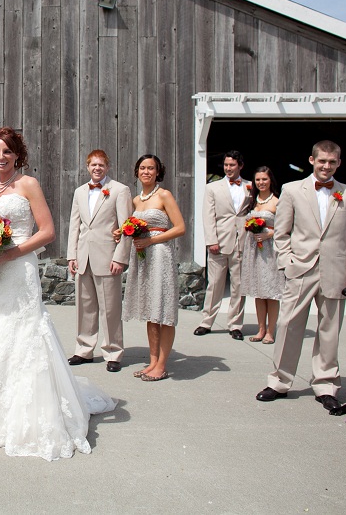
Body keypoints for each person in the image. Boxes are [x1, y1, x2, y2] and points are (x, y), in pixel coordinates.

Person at [0, 127, 115, 460]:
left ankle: (31, 415)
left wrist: (10, 253)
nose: (0, 157)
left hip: (19, 270)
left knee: (25, 334)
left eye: (6, 151)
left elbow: (47, 232)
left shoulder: (28, 184)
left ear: (18, 155)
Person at [256, 140, 346, 411]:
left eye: (331, 162)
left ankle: (326, 384)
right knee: (288, 325)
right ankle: (279, 381)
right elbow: (281, 232)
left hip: (335, 272)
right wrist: (286, 262)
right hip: (300, 269)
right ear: (311, 160)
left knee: (329, 331)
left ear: (339, 163)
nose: (326, 166)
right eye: (322, 161)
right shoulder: (292, 190)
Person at [119, 154, 186, 381]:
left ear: (158, 172)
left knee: (163, 310)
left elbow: (180, 228)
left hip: (160, 255)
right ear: (137, 172)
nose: (146, 171)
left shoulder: (164, 195)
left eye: (151, 168)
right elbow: (131, 225)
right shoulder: (136, 200)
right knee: (151, 310)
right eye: (142, 168)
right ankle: (153, 361)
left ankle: (162, 365)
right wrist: (121, 231)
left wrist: (151, 240)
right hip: (142, 257)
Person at [66, 149, 132, 373]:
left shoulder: (120, 190)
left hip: (107, 257)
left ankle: (113, 351)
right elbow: (75, 225)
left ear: (107, 167)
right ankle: (84, 349)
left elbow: (126, 227)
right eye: (93, 165)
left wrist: (120, 257)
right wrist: (72, 255)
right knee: (85, 307)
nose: (97, 168)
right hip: (83, 256)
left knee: (110, 308)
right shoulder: (79, 192)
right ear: (87, 167)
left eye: (101, 165)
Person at [195, 150, 248, 340]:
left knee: (239, 285)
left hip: (242, 241)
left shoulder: (250, 186)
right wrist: (211, 241)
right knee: (215, 283)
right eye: (226, 165)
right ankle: (206, 321)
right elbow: (208, 216)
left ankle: (235, 324)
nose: (228, 168)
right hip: (219, 240)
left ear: (240, 166)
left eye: (232, 165)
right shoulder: (213, 188)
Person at [239, 166, 284, 344]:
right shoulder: (251, 201)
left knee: (271, 292)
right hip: (254, 249)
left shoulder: (277, 202)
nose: (261, 183)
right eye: (258, 180)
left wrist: (269, 234)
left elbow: (287, 226)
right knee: (258, 291)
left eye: (264, 179)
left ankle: (271, 331)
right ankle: (260, 329)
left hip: (270, 250)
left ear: (270, 180)